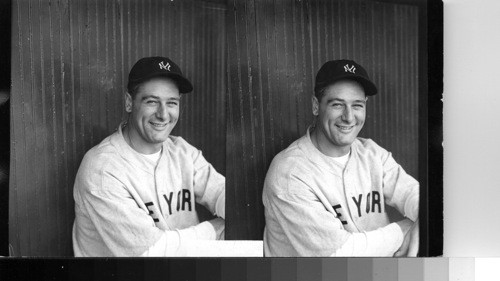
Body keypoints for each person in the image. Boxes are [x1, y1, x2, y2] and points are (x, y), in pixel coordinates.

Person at [262, 59, 419, 257]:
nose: (349, 117)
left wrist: (423, 220)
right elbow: (341, 253)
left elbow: (417, 196)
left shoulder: (371, 152)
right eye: (337, 104)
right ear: (316, 106)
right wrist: (410, 228)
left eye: (357, 105)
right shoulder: (289, 173)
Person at [72, 57, 225, 257]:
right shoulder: (102, 169)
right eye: (152, 101)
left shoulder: (181, 150)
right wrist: (219, 229)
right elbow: (153, 252)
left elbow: (223, 194)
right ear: (129, 102)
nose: (163, 114)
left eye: (171, 103)